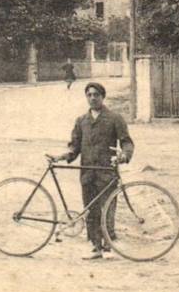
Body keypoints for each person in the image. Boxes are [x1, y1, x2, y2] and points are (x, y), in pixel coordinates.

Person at [49, 82, 134, 260]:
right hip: (87, 172)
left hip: (106, 172)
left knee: (108, 208)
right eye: (89, 95)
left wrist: (124, 155)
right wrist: (63, 156)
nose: (92, 98)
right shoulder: (81, 121)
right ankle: (96, 247)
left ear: (103, 97)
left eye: (96, 94)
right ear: (86, 97)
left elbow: (126, 141)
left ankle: (108, 246)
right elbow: (75, 147)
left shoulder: (114, 118)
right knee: (91, 210)